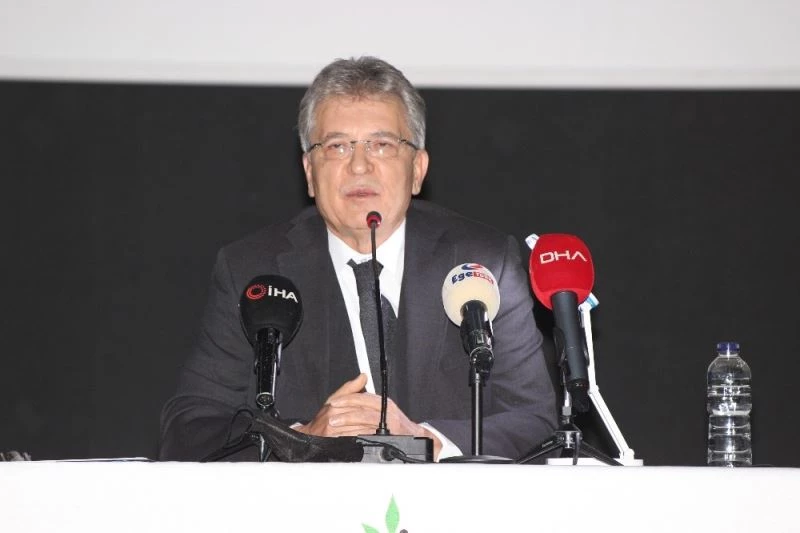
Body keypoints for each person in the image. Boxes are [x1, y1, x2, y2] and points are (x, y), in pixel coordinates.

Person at [159, 56, 556, 462]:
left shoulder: (485, 263)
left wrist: (426, 440)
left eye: (382, 145)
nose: (360, 165)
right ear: (309, 172)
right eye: (337, 147)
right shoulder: (253, 270)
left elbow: (536, 421)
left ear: (417, 170)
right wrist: (298, 440)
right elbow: (190, 427)